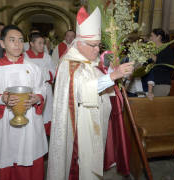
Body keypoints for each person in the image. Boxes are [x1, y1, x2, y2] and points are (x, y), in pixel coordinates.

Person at [47, 7, 134, 180]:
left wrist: (114, 75)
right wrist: (112, 76)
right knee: (81, 164)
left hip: (95, 120)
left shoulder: (91, 60)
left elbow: (101, 82)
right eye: (93, 46)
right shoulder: (69, 63)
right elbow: (81, 90)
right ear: (79, 43)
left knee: (93, 162)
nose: (97, 50)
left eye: (98, 46)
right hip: (80, 122)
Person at [0, 25, 48, 180]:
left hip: (31, 125)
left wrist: (38, 97)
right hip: (6, 124)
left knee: (33, 163)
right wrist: (1, 99)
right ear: (2, 43)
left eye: (20, 40)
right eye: (12, 40)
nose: (17, 44)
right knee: (9, 162)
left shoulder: (33, 68)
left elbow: (42, 88)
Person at [24, 32, 56, 135]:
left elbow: (53, 71)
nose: (43, 46)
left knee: (47, 112)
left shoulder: (47, 57)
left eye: (43, 43)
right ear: (32, 44)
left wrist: (45, 74)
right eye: (40, 43)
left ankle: (45, 134)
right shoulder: (24, 57)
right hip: (31, 90)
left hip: (46, 89)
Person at [142, 28, 174, 99]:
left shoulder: (167, 49)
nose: (150, 38)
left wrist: (154, 57)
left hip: (161, 83)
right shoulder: (152, 49)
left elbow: (170, 66)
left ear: (158, 37)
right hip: (149, 82)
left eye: (152, 36)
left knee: (156, 107)